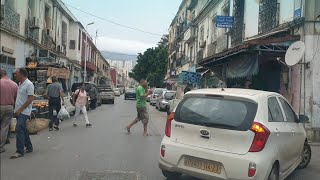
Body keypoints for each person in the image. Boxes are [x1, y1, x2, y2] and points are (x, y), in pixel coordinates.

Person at [10, 68, 34, 159]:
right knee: (23, 129)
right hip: (18, 110)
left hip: (24, 111)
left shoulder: (29, 84)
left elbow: (31, 98)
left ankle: (19, 151)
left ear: (21, 74)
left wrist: (20, 109)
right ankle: (29, 147)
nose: (15, 75)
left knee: (19, 128)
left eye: (16, 74)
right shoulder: (20, 84)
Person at [0, 68, 18, 153]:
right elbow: (16, 97)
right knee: (4, 127)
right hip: (9, 107)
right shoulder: (14, 84)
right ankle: (1, 146)